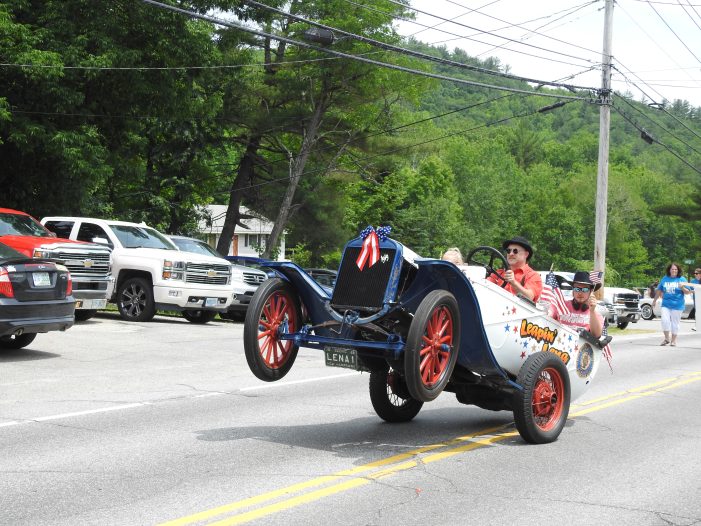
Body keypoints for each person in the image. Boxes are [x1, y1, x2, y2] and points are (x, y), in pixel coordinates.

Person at [548, 271, 604, 338]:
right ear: (573, 291)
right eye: (577, 289)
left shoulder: (595, 314)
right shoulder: (561, 305)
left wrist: (592, 311)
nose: (580, 293)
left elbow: (596, 335)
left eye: (585, 289)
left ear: (591, 291)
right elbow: (547, 318)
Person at [487, 236, 543, 302]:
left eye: (515, 251)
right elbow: (484, 285)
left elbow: (529, 297)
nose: (511, 254)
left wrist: (513, 283)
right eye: (508, 251)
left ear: (526, 254)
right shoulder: (499, 273)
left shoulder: (533, 276)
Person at [653, 262, 691, 346]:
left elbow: (688, 292)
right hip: (666, 304)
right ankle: (666, 339)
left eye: (675, 269)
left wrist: (682, 287)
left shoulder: (682, 279)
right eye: (672, 269)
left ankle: (673, 340)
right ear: (669, 270)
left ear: (678, 270)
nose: (674, 270)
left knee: (675, 323)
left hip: (677, 305)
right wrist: (654, 300)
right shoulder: (665, 278)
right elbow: (659, 290)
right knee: (664, 321)